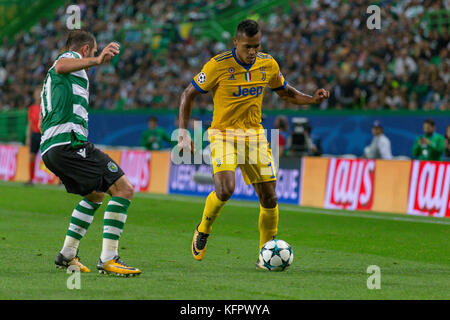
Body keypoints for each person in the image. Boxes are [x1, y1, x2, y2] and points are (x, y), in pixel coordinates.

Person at [177, 19, 329, 268]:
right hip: (223, 135)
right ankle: (203, 228)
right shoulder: (217, 65)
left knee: (270, 197)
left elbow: (285, 91)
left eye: (256, 46)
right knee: (226, 189)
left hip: (255, 136)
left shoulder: (267, 63)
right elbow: (188, 94)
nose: (252, 52)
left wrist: (312, 99)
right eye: (248, 46)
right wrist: (183, 132)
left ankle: (264, 255)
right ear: (235, 42)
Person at [39, 30, 141, 276]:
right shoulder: (68, 60)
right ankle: (108, 258)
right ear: (85, 50)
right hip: (68, 144)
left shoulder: (59, 82)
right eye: (93, 52)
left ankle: (67, 254)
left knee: (95, 195)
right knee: (124, 189)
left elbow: (45, 120)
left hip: (52, 148)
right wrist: (96, 61)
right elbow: (62, 63)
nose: (95, 57)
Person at [25, 88, 42, 185]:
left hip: (44, 134)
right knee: (32, 157)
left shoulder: (46, 107)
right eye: (36, 93)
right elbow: (30, 124)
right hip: (35, 135)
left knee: (52, 159)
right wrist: (28, 137)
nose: (38, 95)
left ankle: (59, 181)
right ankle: (30, 179)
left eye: (39, 93)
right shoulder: (32, 108)